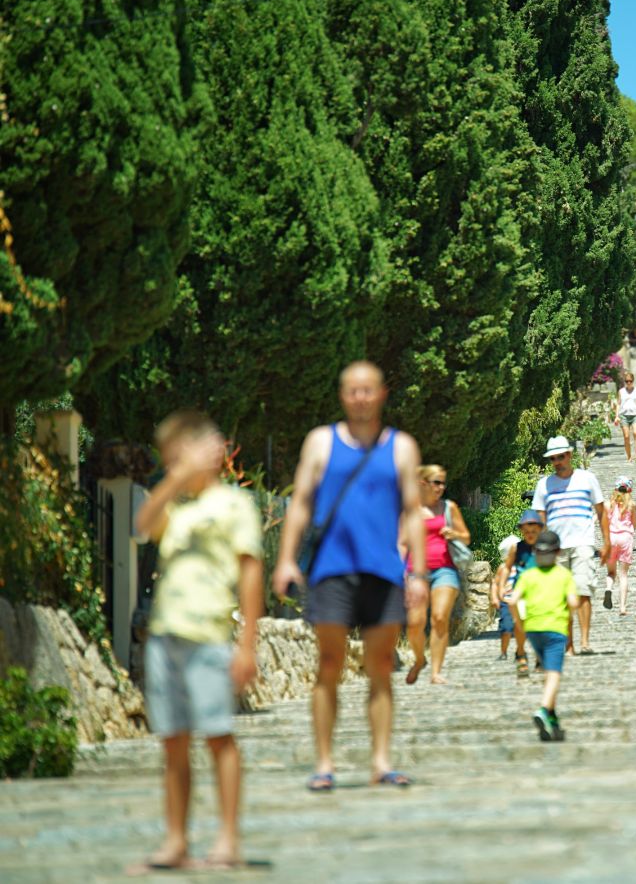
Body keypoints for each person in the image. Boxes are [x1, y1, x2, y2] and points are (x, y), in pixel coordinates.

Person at [273, 361, 425, 791]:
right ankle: (324, 762)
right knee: (328, 665)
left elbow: (412, 510)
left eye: (368, 390)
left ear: (381, 394)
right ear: (342, 395)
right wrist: (286, 559)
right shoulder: (321, 442)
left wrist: (419, 573)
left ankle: (381, 761)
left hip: (383, 571)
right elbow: (301, 501)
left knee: (380, 666)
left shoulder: (401, 446)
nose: (360, 397)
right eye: (352, 390)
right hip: (331, 570)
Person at [133, 411, 262, 871]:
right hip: (165, 635)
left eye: (182, 456)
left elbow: (250, 573)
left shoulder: (234, 506)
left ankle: (227, 838)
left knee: (218, 737)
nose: (177, 465)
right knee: (172, 741)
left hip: (209, 635)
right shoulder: (177, 510)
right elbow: (143, 524)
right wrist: (173, 480)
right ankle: (175, 840)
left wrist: (247, 644)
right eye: (170, 459)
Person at [532, 436, 614, 655]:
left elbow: (601, 511)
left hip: (582, 543)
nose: (557, 461)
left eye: (560, 456)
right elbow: (540, 519)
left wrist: (607, 542)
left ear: (569, 455)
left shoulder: (587, 479)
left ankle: (585, 640)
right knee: (561, 597)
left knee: (583, 591)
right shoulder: (544, 485)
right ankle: (569, 644)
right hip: (555, 547)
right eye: (553, 458)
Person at [400, 464, 471, 686]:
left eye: (443, 483)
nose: (441, 487)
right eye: (436, 482)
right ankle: (420, 659)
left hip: (445, 569)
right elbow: (402, 543)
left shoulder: (449, 508)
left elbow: (466, 537)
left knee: (440, 618)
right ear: (422, 483)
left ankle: (436, 672)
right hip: (416, 572)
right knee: (415, 622)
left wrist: (454, 533)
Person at [505, 531, 579, 741]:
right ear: (558, 552)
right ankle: (544, 709)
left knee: (548, 671)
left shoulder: (528, 575)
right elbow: (573, 603)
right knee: (554, 673)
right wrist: (567, 616)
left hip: (533, 629)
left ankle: (553, 719)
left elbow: (512, 601)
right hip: (555, 629)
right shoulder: (564, 575)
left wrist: (520, 623)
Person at [492, 509, 543, 676]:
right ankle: (520, 652)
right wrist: (500, 587)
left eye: (533, 531)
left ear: (541, 530)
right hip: (520, 589)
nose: (530, 534)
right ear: (521, 531)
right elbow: (507, 568)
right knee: (520, 625)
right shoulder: (517, 548)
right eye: (526, 531)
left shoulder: (545, 548)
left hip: (539, 590)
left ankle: (539, 657)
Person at [606, 475, 636, 615]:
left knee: (611, 572)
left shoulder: (609, 504)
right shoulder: (632, 505)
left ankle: (608, 588)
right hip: (625, 538)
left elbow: (604, 522)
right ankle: (623, 607)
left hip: (612, 538)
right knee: (623, 574)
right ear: (629, 490)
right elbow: (634, 524)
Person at [615, 372, 636, 464]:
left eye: (630, 381)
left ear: (633, 381)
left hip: (635, 414)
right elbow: (618, 404)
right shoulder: (621, 391)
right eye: (626, 381)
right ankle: (629, 456)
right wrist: (616, 416)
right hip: (624, 415)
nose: (628, 383)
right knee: (626, 436)